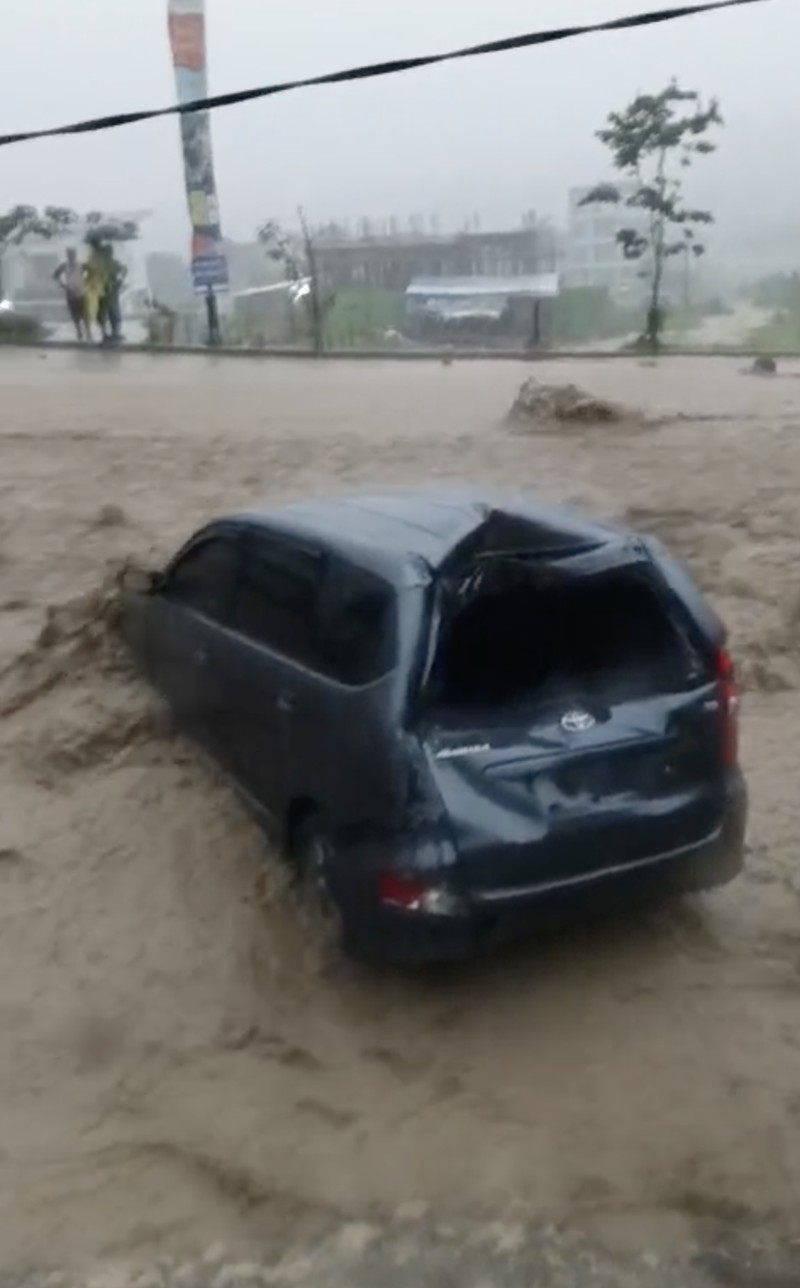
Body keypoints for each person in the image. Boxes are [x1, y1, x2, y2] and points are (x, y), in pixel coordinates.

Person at [53, 248, 87, 342]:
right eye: (69, 254)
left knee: (83, 312)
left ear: (75, 255)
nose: (71, 256)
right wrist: (62, 285)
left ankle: (86, 330)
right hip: (70, 292)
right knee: (74, 313)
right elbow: (55, 275)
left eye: (72, 254)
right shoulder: (64, 265)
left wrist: (86, 282)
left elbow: (91, 272)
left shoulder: (81, 265)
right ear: (67, 255)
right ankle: (79, 331)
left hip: (80, 292)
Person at [83, 239, 108, 343]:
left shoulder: (101, 258)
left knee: (101, 312)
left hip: (100, 288)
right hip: (92, 288)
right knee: (91, 310)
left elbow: (103, 273)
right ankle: (89, 332)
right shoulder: (92, 257)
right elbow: (89, 270)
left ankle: (103, 332)